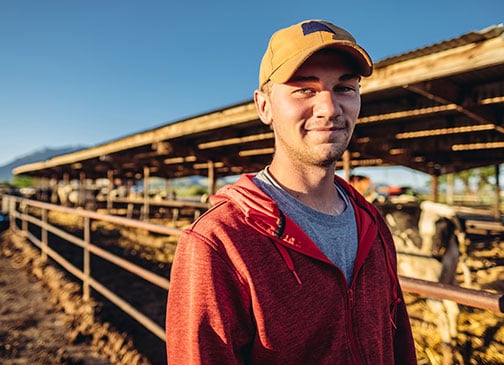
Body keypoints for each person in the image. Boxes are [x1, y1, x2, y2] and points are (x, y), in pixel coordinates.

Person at [166, 19, 417, 364]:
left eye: (345, 88)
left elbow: (399, 342)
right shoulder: (219, 241)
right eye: (304, 89)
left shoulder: (372, 224)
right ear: (264, 106)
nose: (329, 108)